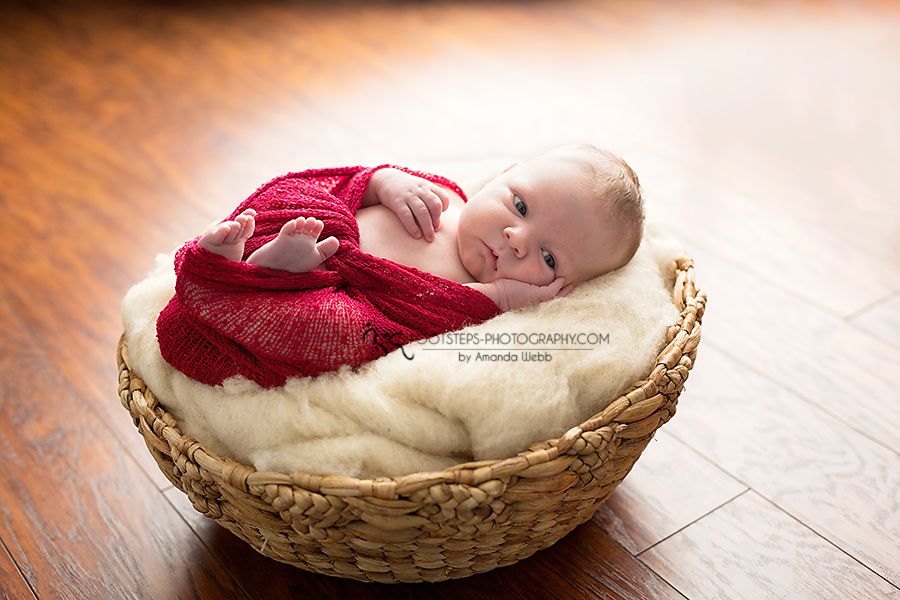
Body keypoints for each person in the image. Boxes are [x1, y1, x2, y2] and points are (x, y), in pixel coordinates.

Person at [157, 143, 643, 387]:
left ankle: (237, 281)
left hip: (339, 297)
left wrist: (507, 299)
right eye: (520, 206)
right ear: (502, 176)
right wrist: (385, 182)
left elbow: (445, 318)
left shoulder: (482, 292)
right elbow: (351, 183)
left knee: (347, 335)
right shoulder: (445, 195)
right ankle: (248, 263)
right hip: (322, 232)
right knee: (300, 199)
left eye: (549, 256)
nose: (517, 240)